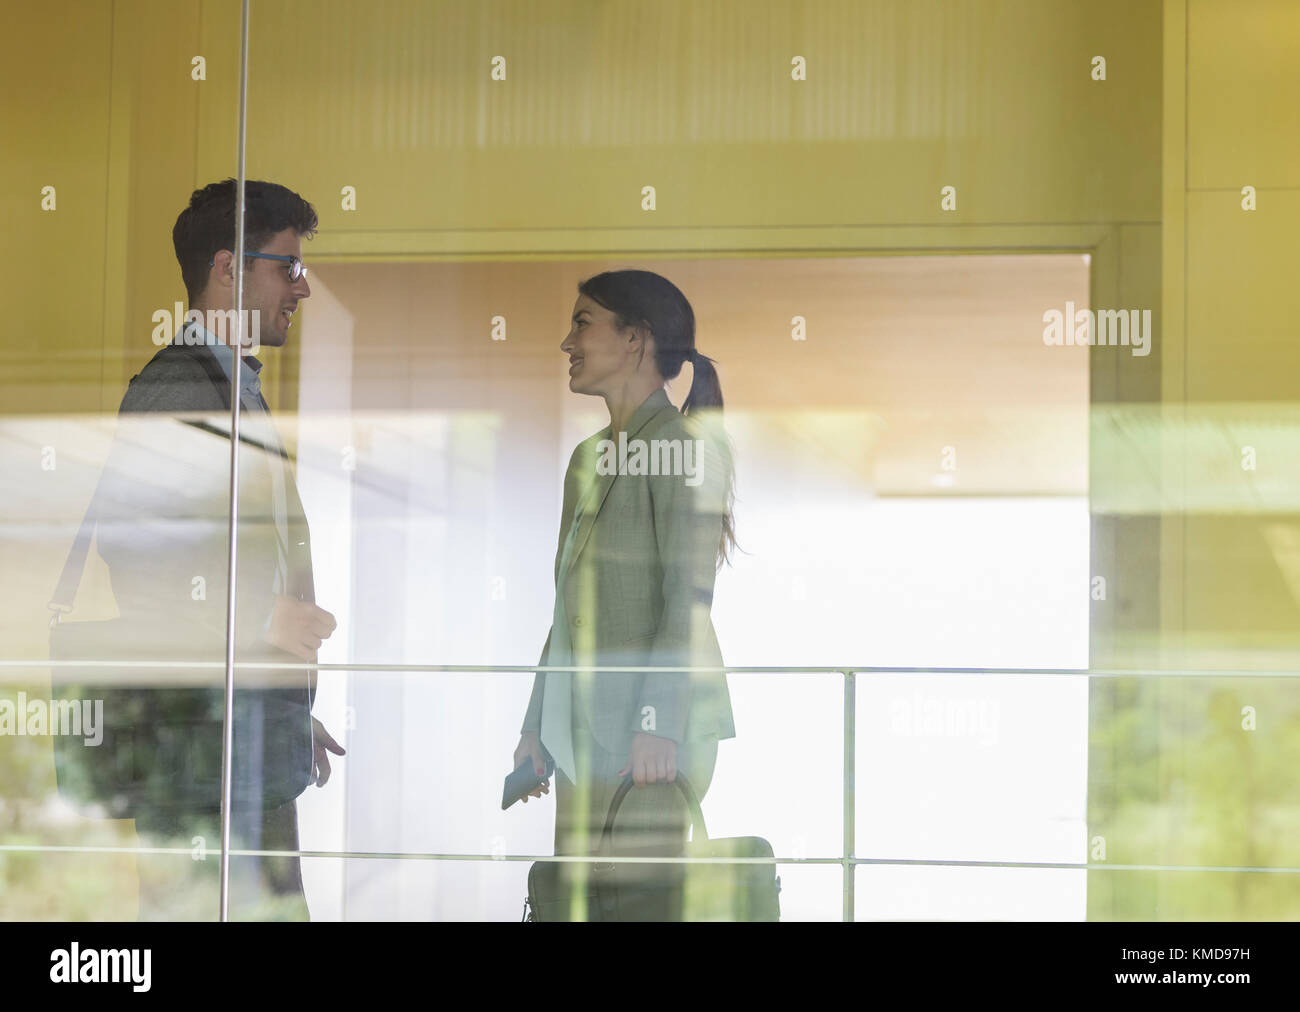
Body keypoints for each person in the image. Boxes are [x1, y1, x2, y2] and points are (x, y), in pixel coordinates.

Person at [92, 179, 344, 919]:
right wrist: (263, 624)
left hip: (238, 752)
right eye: (287, 267)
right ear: (230, 270)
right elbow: (138, 559)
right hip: (198, 768)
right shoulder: (178, 388)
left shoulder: (236, 385)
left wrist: (283, 713)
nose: (301, 288)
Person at [513, 269, 737, 920]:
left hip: (653, 734)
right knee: (585, 906)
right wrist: (536, 726)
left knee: (639, 907)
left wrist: (657, 724)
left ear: (635, 340)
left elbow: (687, 599)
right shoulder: (588, 459)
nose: (567, 342)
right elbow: (566, 610)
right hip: (585, 727)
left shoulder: (686, 450)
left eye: (583, 323)